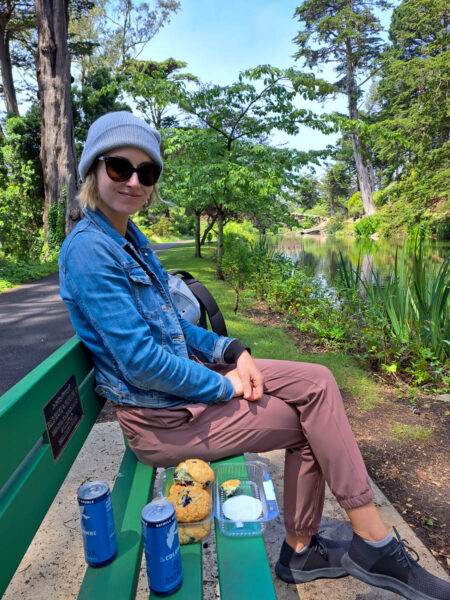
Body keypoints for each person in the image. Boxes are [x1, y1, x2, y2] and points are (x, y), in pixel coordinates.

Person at [59, 111, 450, 600]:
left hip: (184, 393)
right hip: (162, 419)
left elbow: (175, 327)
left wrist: (234, 350)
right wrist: (225, 385)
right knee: (313, 423)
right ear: (94, 171)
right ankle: (342, 545)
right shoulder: (90, 251)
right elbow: (140, 361)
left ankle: (346, 543)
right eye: (119, 167)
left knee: (320, 382)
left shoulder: (130, 240)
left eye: (148, 171)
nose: (134, 181)